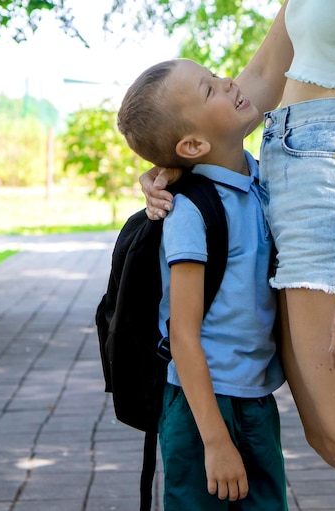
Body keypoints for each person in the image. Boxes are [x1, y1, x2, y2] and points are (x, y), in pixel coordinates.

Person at [139, 1, 335, 510]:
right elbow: (264, 74)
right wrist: (173, 158)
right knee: (331, 440)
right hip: (285, 171)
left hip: (333, 176)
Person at [117, 58, 288, 510]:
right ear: (191, 144)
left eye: (215, 76)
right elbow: (183, 336)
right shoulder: (189, 213)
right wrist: (214, 442)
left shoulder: (258, 179)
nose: (228, 81)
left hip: (253, 398)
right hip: (202, 409)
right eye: (210, 90)